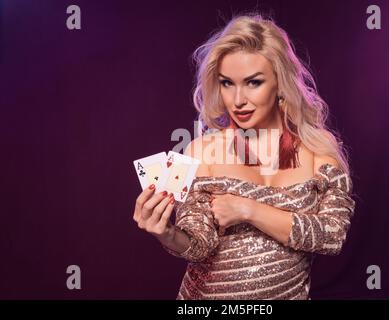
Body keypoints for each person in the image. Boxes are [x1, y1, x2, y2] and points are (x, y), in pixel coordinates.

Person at [133, 13, 356, 300]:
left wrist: (248, 210)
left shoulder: (317, 148)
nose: (238, 100)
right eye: (227, 83)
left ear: (280, 83)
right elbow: (199, 244)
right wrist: (165, 233)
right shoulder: (202, 150)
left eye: (253, 83)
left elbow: (332, 235)